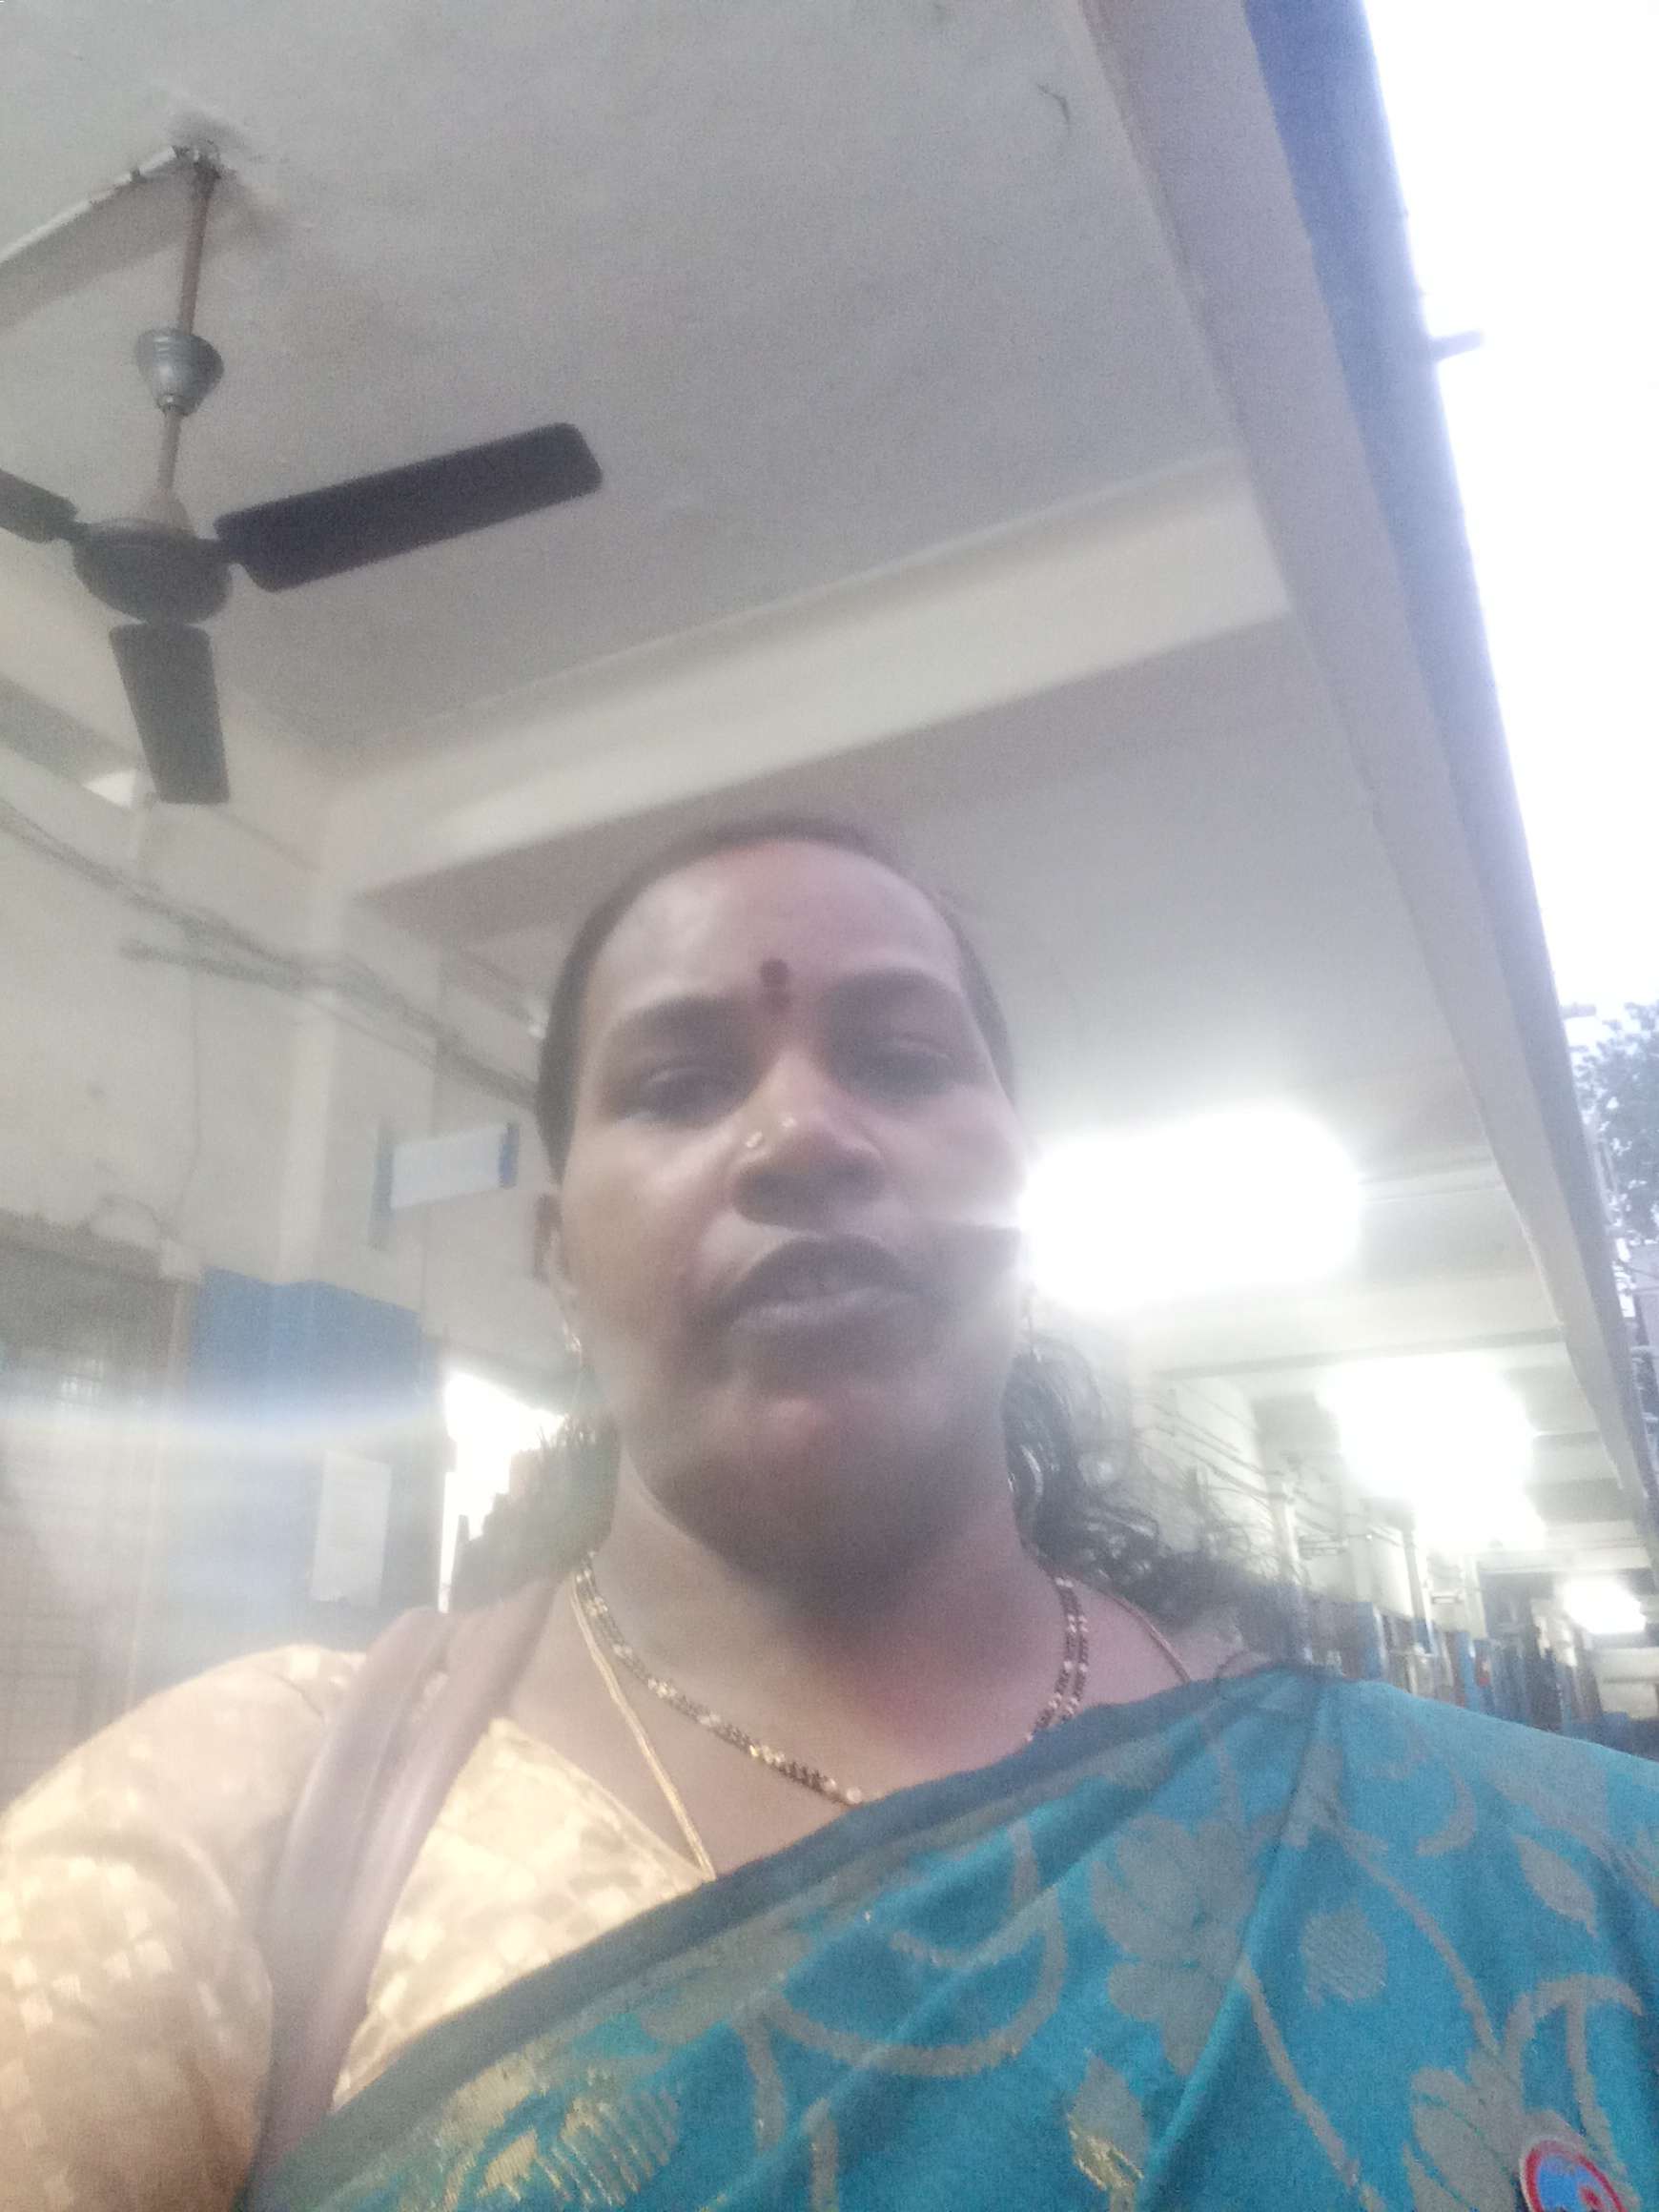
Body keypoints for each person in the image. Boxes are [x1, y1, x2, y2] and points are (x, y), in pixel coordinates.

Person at [4, 816, 1658, 2212]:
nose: (800, 1135)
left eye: (900, 1060)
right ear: (557, 1260)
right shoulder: (246, 1825)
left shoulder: (1493, 1853)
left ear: (1021, 1205)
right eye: (677, 1084)